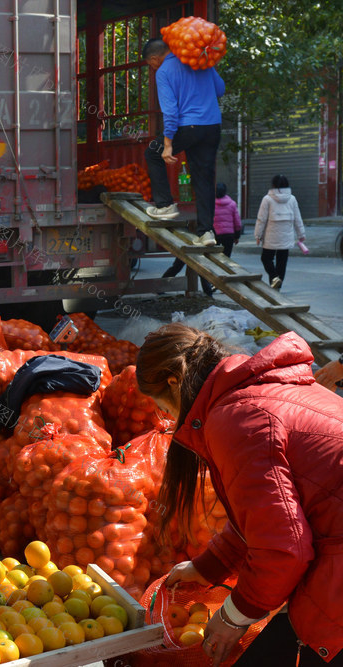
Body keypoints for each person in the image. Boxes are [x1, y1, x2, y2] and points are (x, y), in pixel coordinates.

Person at [136, 323, 343, 666]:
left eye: (165, 408)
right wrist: (211, 565)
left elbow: (282, 549)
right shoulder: (262, 389)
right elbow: (269, 515)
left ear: (174, 383)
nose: (171, 420)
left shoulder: (236, 418)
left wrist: (234, 616)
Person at [142, 38, 224, 247]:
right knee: (204, 178)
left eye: (149, 64)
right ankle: (207, 233)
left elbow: (170, 112)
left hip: (188, 127)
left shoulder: (163, 71)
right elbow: (220, 89)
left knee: (153, 152)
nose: (152, 68)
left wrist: (168, 142)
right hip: (212, 126)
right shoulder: (199, 60)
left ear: (154, 58)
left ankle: (165, 205)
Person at [160, 182, 241, 295]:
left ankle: (162, 286)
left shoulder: (207, 203)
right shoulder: (232, 203)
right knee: (223, 263)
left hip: (208, 236)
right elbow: (237, 222)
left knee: (189, 263)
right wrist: (237, 235)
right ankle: (213, 289)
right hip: (226, 236)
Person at [255, 174, 306, 290]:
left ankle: (273, 278)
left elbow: (261, 219)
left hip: (270, 236)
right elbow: (298, 218)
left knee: (266, 258)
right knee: (282, 262)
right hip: (286, 237)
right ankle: (277, 287)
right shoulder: (292, 199)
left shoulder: (267, 199)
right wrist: (301, 234)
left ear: (273, 185)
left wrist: (258, 235)